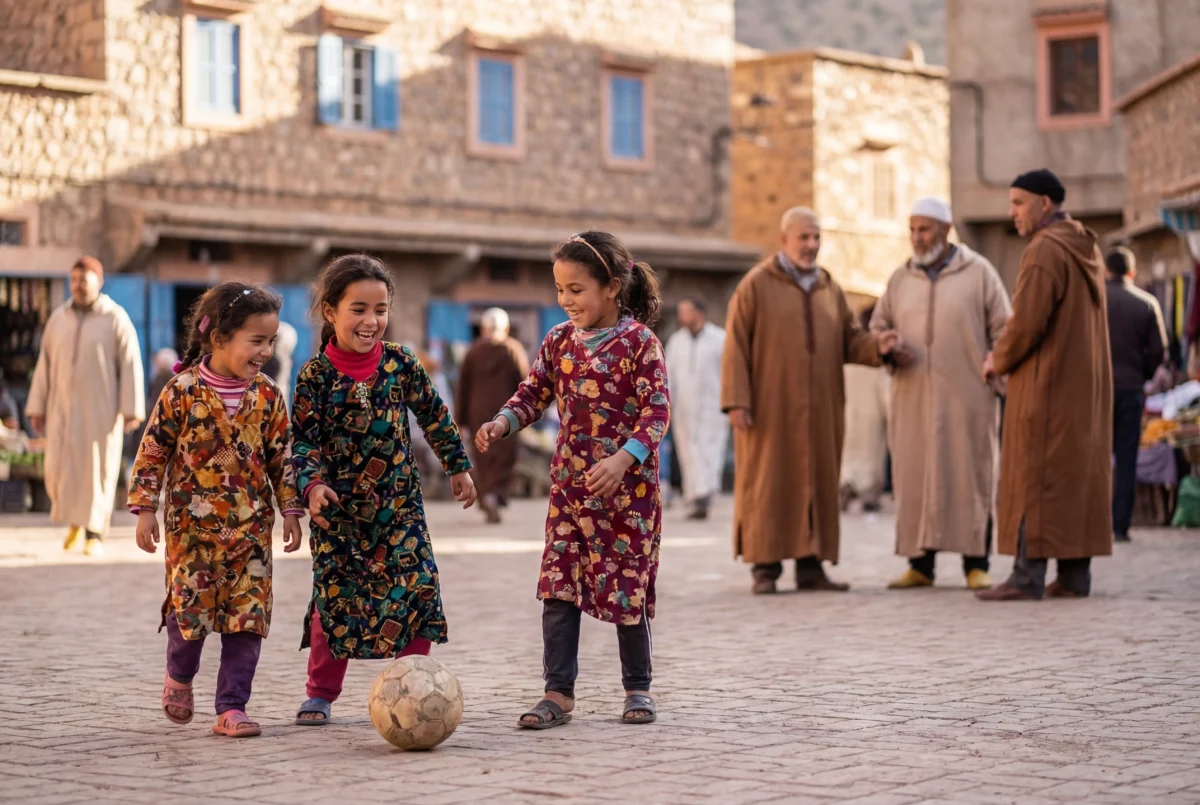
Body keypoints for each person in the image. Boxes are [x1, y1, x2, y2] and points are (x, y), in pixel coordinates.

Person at [474, 231, 669, 729]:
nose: (566, 300)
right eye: (560, 289)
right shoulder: (558, 340)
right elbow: (532, 393)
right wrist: (502, 422)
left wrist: (625, 459)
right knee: (559, 586)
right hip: (569, 491)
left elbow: (657, 412)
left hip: (630, 496)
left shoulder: (640, 343)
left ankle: (638, 688)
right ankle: (557, 693)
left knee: (627, 589)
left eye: (576, 289)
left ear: (612, 286)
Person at [291, 254, 477, 725]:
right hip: (338, 512)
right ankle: (320, 693)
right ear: (330, 312)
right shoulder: (313, 376)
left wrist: (457, 465)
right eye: (359, 309)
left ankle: (411, 682)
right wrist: (311, 486)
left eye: (380, 308)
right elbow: (304, 441)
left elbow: (434, 415)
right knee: (335, 600)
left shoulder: (401, 364)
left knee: (417, 588)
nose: (371, 320)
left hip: (400, 507)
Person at [128, 282, 303, 738]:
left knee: (248, 619)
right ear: (219, 338)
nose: (266, 351)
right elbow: (152, 452)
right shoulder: (181, 391)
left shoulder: (267, 396)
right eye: (257, 340)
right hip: (191, 536)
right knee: (190, 616)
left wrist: (290, 510)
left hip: (251, 534)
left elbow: (283, 458)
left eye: (271, 340)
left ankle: (231, 707)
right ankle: (179, 677)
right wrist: (145, 508)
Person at [721, 206, 901, 594]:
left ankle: (811, 567)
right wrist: (737, 400)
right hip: (769, 409)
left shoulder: (829, 288)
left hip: (821, 409)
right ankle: (765, 569)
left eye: (816, 237)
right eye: (804, 237)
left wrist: (877, 346)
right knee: (768, 484)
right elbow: (735, 346)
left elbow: (850, 340)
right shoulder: (756, 285)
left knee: (816, 482)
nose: (811, 245)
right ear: (784, 239)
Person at [978, 168, 1113, 601]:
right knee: (1072, 478)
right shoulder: (1083, 246)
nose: (1012, 212)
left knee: (1030, 476)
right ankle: (1074, 576)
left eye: (1019, 202)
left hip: (1047, 386)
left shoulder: (1044, 250)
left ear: (1045, 204)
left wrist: (995, 360)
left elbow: (1025, 324)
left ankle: (1026, 576)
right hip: (1081, 391)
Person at [871, 197, 1012, 591]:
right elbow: (878, 326)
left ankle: (975, 564)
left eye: (925, 229)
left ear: (946, 230)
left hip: (967, 399)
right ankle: (920, 565)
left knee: (971, 476)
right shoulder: (900, 278)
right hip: (912, 398)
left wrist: (994, 365)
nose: (918, 237)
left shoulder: (980, 272)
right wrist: (886, 344)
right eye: (913, 229)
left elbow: (1006, 329)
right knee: (915, 477)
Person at [26, 256, 145, 557]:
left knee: (97, 469)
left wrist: (130, 408)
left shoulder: (115, 318)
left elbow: (131, 364)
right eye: (74, 281)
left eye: (84, 281)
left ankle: (95, 534)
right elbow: (44, 366)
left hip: (100, 411)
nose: (78, 287)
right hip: (61, 409)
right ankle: (75, 525)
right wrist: (37, 407)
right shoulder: (58, 319)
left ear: (99, 283)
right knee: (61, 468)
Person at [1105, 246, 1166, 543]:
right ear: (1132, 272)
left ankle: (1094, 522)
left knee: (1096, 457)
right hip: (1130, 389)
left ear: (1106, 271)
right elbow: (1159, 351)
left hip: (1098, 390)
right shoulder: (1147, 303)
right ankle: (1120, 526)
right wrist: (1141, 374)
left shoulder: (1094, 300)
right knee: (1127, 457)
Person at [457, 307, 530, 523]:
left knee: (482, 457)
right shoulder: (513, 349)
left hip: (477, 413)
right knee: (504, 458)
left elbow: (463, 389)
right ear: (506, 328)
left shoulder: (473, 352)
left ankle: (487, 495)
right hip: (507, 417)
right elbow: (526, 385)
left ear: (483, 328)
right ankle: (494, 496)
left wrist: (460, 421)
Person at [664, 298, 726, 520]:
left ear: (699, 313)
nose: (683, 317)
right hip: (684, 407)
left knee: (710, 450)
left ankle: (704, 495)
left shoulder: (720, 339)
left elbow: (729, 372)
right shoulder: (676, 341)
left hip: (713, 406)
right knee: (688, 452)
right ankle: (696, 496)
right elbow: (667, 374)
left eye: (687, 312)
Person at [840, 304, 889, 513]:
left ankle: (846, 483)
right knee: (870, 454)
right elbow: (886, 394)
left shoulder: (847, 356)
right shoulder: (876, 360)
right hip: (871, 416)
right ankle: (868, 492)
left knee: (847, 452)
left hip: (847, 413)